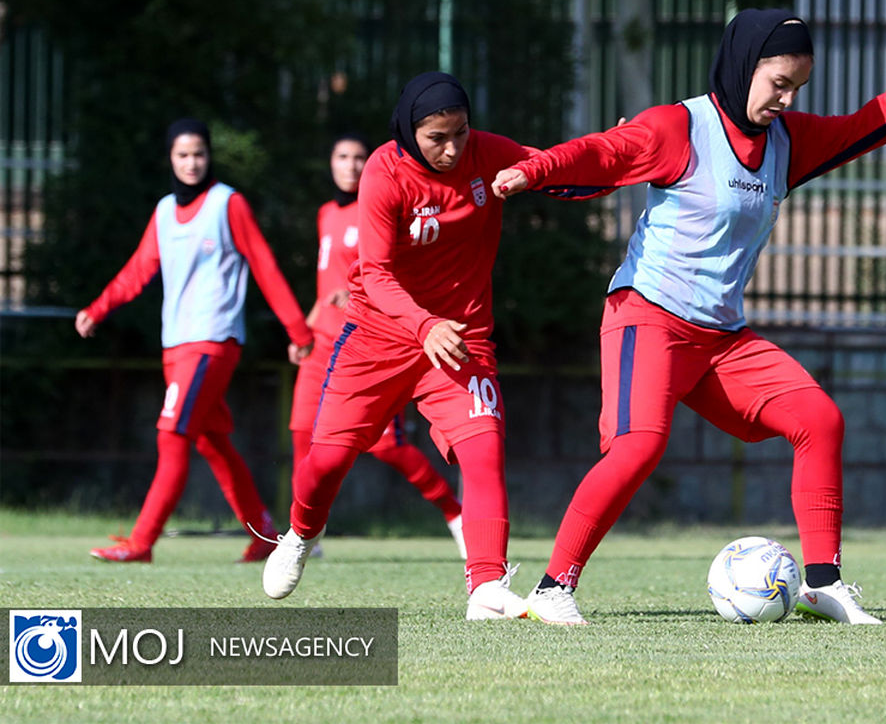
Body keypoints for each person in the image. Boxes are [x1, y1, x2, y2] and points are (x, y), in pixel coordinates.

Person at [492, 8, 886, 625]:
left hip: (721, 338)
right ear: (743, 65)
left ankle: (822, 584)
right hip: (646, 318)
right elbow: (599, 153)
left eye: (798, 89)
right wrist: (532, 170)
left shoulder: (788, 142)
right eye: (778, 83)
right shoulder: (680, 127)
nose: (786, 100)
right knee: (637, 447)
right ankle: (552, 590)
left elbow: (866, 127)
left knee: (820, 419)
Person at [262, 72, 558, 620]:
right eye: (437, 138)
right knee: (323, 464)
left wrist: (611, 157)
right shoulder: (384, 171)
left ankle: (486, 587)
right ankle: (301, 533)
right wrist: (423, 325)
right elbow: (373, 274)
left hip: (460, 338)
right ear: (408, 133)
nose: (452, 149)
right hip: (378, 338)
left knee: (485, 449)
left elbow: (553, 167)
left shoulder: (484, 153)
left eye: (461, 134)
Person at [77, 117, 314, 563]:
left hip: (211, 341)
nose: (191, 163)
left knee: (172, 437)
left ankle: (141, 542)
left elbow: (263, 265)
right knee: (213, 442)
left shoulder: (228, 204)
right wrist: (98, 307)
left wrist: (297, 329)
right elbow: (139, 269)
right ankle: (264, 533)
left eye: (199, 154)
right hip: (176, 344)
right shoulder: (165, 210)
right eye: (182, 154)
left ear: (209, 157)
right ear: (170, 158)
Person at [290, 134, 466, 559]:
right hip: (321, 346)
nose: (350, 166)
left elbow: (388, 277)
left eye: (358, 158)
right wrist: (305, 330)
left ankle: (455, 515)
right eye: (342, 157)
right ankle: (307, 535)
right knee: (302, 436)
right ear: (330, 163)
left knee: (387, 446)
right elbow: (327, 284)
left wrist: (356, 301)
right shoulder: (325, 214)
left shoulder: (380, 204)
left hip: (364, 345)